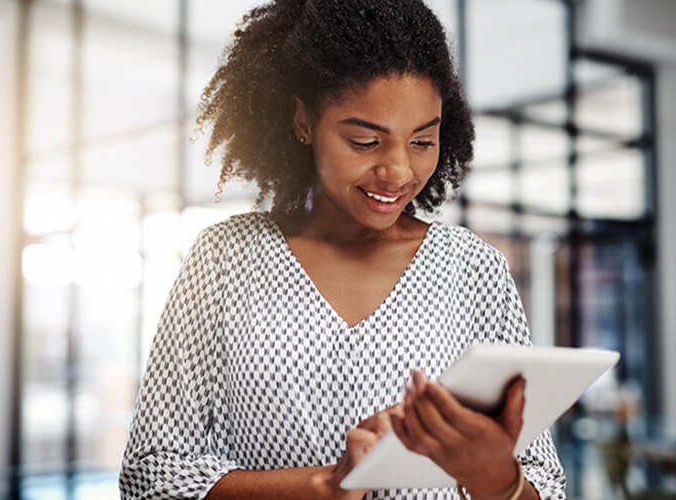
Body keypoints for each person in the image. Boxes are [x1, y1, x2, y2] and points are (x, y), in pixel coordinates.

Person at [119, 0, 566, 498]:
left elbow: (545, 482)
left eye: (422, 141)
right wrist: (324, 486)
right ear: (303, 121)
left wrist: (496, 478)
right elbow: (150, 475)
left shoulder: (473, 269)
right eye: (364, 142)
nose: (397, 172)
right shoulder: (225, 259)